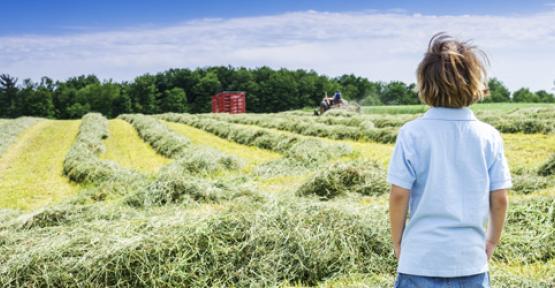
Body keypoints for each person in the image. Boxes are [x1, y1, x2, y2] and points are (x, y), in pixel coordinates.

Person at [387, 33, 511, 288]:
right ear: (476, 84)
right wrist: (492, 241)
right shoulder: (489, 136)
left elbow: (399, 195)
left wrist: (398, 242)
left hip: (419, 260)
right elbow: (499, 198)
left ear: (424, 84)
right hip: (470, 262)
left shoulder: (411, 133)